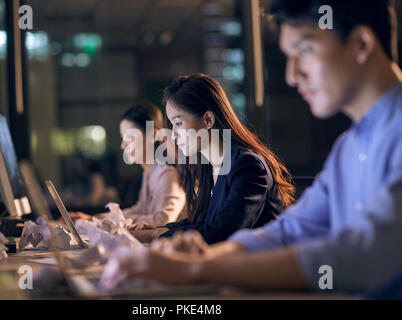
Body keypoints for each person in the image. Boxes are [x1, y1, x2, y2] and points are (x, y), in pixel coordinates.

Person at [100, 0, 402, 295]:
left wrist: (197, 269)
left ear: (361, 44)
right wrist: (200, 257)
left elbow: (366, 255)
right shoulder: (348, 147)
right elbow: (291, 230)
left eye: (305, 51)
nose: (292, 75)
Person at [128, 73, 295, 244]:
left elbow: (222, 234)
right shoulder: (211, 167)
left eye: (178, 123)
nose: (174, 135)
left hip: (260, 266)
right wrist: (157, 229)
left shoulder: (248, 166)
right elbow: (201, 221)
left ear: (208, 120)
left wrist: (154, 236)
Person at [70, 102, 187, 227]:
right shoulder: (149, 171)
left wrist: (111, 220)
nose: (123, 145)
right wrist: (95, 218)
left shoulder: (167, 173)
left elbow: (164, 219)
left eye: (129, 138)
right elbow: (141, 208)